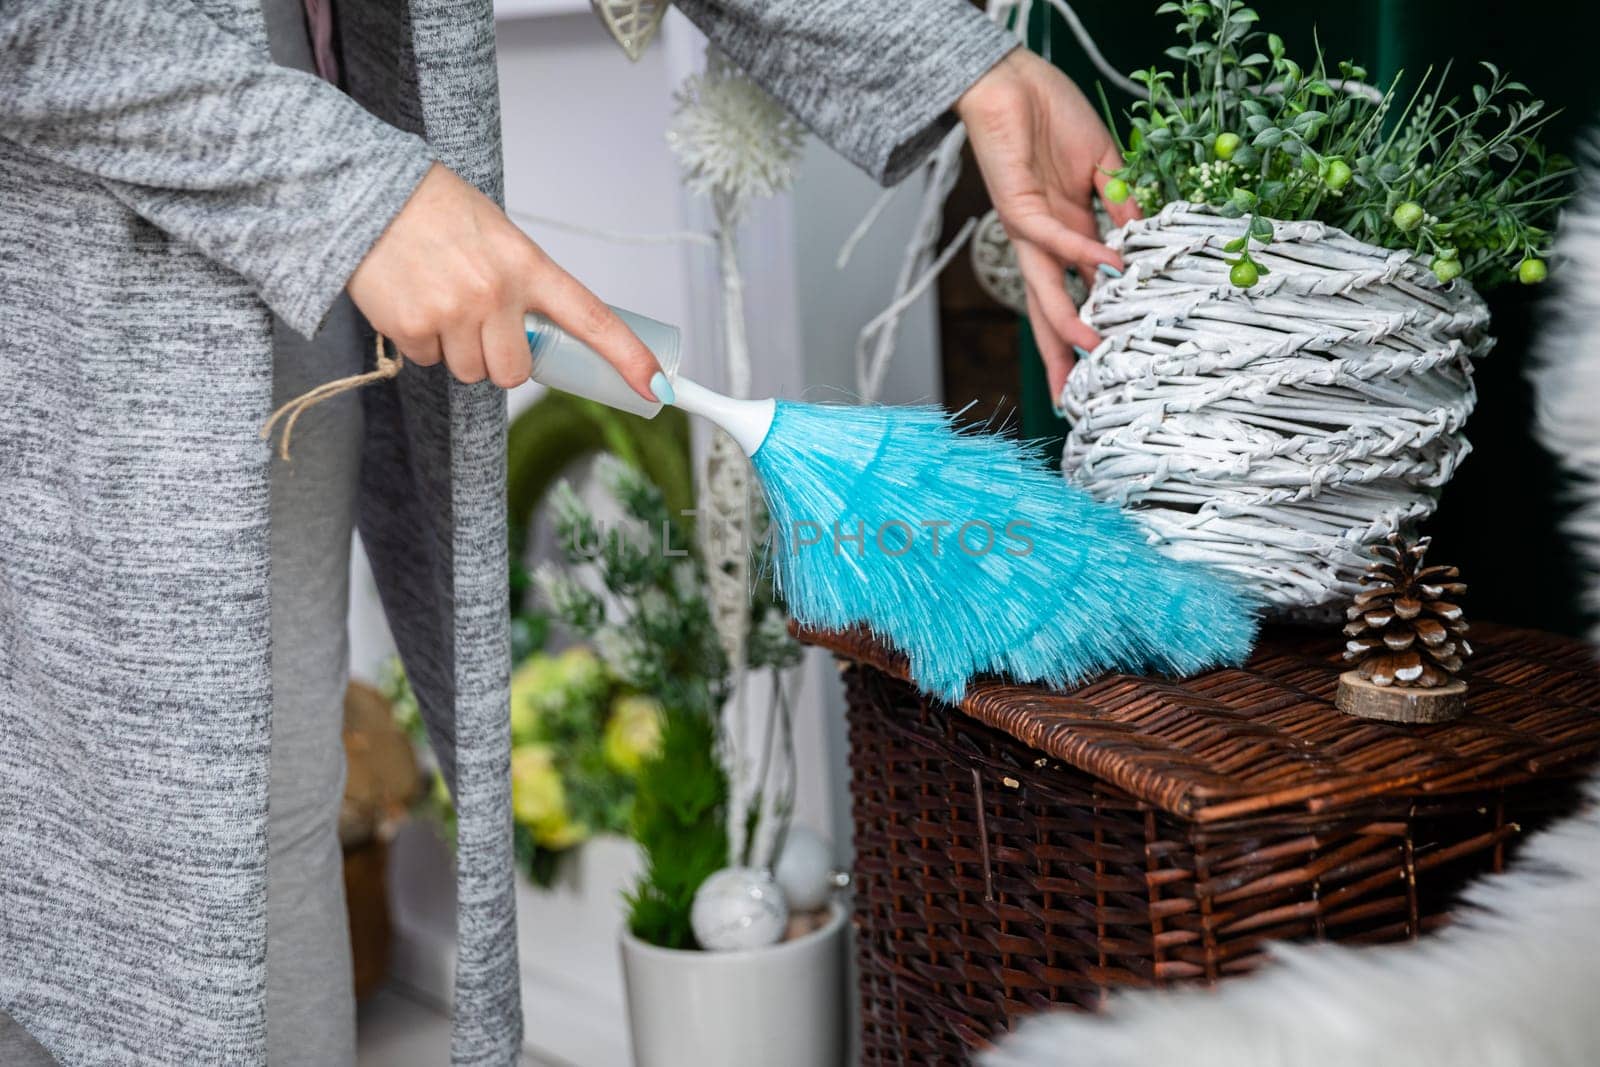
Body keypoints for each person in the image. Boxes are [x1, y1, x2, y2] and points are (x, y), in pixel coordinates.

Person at [0, 1, 1136, 1064]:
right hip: (96, 249)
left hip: (271, 182)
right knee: (126, 890)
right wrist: (346, 190)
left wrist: (957, 58)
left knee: (249, 832)